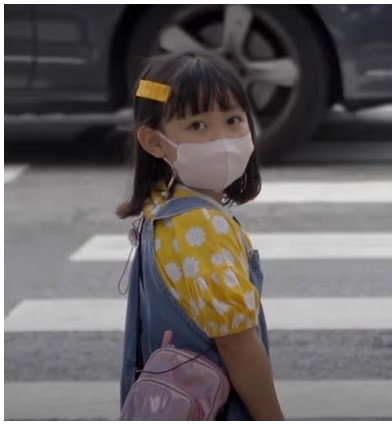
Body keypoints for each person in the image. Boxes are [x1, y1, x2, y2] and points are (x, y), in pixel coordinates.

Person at [117, 52, 284, 420]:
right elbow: (237, 343)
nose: (222, 140)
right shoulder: (204, 227)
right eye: (197, 126)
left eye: (233, 120)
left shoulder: (160, 205)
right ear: (154, 141)